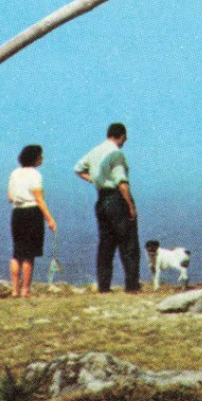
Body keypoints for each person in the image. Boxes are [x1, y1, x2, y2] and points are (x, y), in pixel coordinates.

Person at [75, 122, 140, 293]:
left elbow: (78, 169)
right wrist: (130, 205)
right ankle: (132, 285)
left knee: (106, 245)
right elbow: (122, 182)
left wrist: (96, 180)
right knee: (128, 244)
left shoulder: (95, 151)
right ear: (122, 136)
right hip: (117, 199)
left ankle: (104, 286)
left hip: (101, 199)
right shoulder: (116, 154)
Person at [7, 144, 57, 298]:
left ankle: (14, 290)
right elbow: (39, 199)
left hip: (17, 212)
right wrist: (50, 219)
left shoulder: (15, 173)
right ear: (35, 158)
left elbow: (10, 197)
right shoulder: (35, 175)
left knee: (17, 253)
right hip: (32, 213)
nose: (42, 158)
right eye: (40, 156)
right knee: (29, 254)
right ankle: (25, 290)